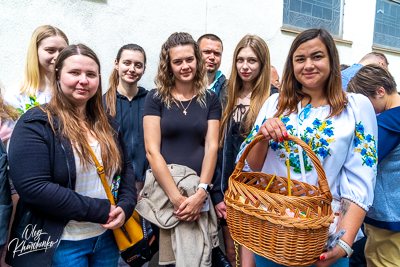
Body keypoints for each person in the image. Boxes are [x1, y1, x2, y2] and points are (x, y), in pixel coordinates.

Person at [237, 28, 377, 267]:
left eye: (317, 56)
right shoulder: (275, 104)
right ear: (291, 66)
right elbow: (249, 170)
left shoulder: (355, 108)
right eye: (300, 59)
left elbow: (360, 180)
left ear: (332, 60)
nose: (308, 65)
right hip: (271, 234)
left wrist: (344, 244)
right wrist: (262, 134)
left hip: (323, 238)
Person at [5, 44, 137, 267]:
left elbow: (125, 170)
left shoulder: (107, 124)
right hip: (61, 244)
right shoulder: (36, 123)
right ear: (58, 74)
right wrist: (102, 210)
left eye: (91, 74)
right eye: (74, 73)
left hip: (106, 240)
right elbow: (34, 187)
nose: (83, 80)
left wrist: (125, 206)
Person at [143, 32, 221, 265]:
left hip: (199, 188)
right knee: (169, 259)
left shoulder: (210, 99)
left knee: (199, 254)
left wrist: (201, 193)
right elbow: (152, 151)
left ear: (197, 60)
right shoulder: (155, 98)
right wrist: (177, 199)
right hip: (166, 193)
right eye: (178, 61)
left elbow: (212, 145)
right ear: (169, 66)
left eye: (189, 59)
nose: (185, 66)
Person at [211, 34, 274, 267]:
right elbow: (215, 148)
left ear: (263, 64)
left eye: (252, 61)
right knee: (232, 251)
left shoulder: (274, 98)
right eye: (240, 60)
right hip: (228, 191)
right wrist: (218, 194)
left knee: (257, 255)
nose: (245, 67)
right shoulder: (224, 94)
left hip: (260, 194)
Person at [347, 64, 400, 267]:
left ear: (380, 91)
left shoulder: (388, 121)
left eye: (365, 102)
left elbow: (363, 161)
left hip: (389, 219)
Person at [104, 44, 149, 194]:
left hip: (148, 184)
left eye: (138, 65)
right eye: (127, 63)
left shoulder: (151, 101)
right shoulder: (102, 102)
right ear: (116, 64)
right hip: (115, 184)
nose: (132, 69)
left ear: (144, 69)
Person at [5, 25, 69, 114]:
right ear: (35, 52)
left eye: (62, 51)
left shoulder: (70, 92)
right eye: (50, 50)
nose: (57, 56)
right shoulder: (16, 93)